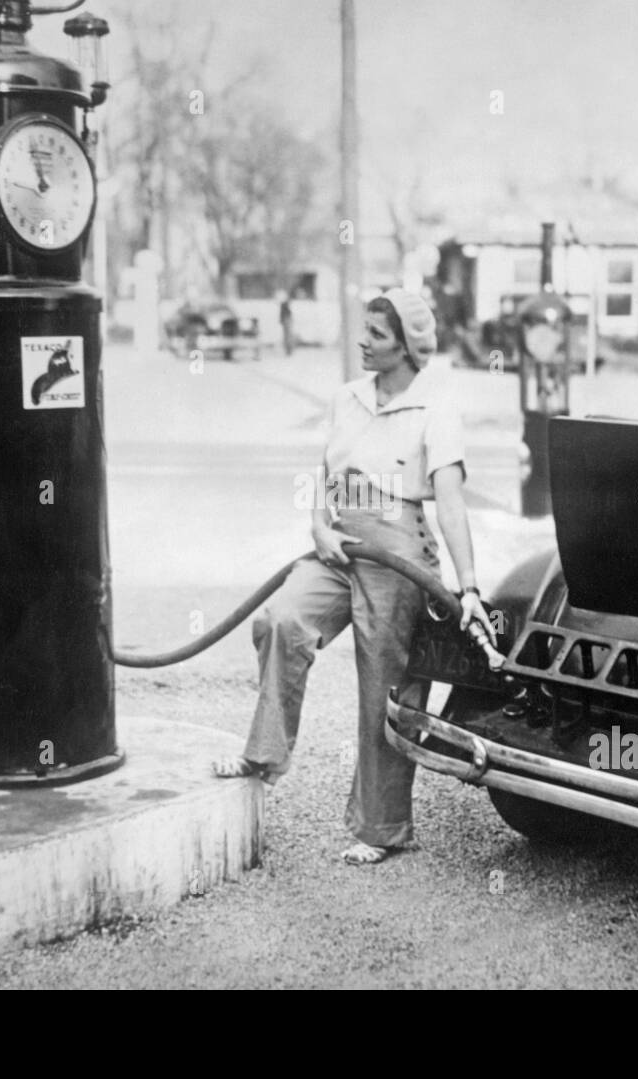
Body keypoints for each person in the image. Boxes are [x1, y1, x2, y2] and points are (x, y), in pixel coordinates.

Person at [213, 288, 495, 866]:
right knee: (282, 620)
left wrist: (467, 587)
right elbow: (324, 474)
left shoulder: (435, 407)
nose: (363, 342)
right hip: (341, 543)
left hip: (400, 553)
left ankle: (383, 828)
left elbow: (449, 503)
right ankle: (265, 756)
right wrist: (318, 526)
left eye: (378, 335)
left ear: (409, 348)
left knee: (384, 686)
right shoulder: (347, 398)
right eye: (364, 330)